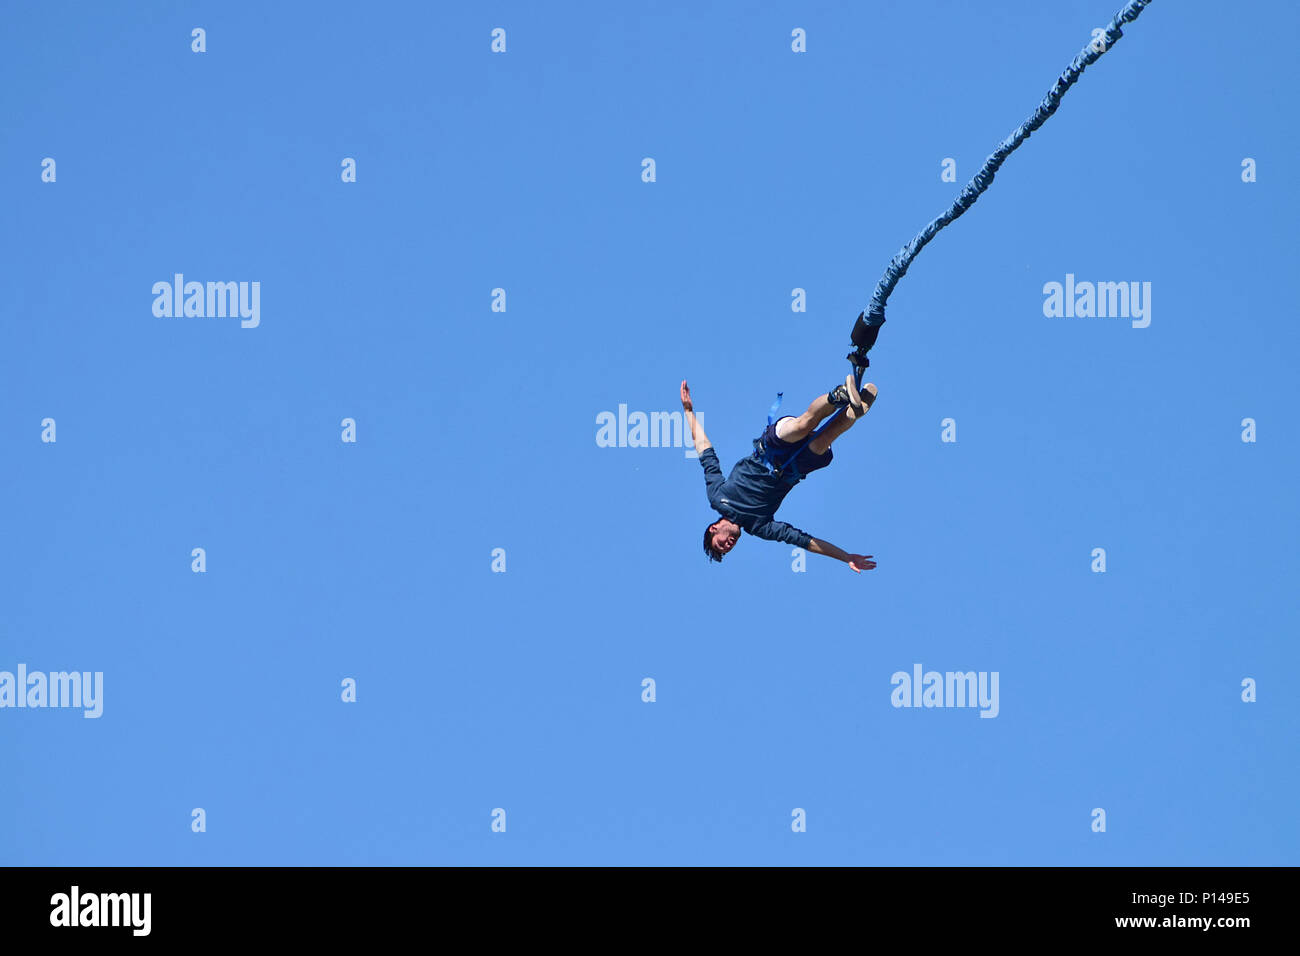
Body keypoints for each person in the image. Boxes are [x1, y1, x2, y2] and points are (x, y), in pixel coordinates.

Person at [682, 376, 879, 572]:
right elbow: (804, 541)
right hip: (796, 466)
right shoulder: (759, 526)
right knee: (824, 439)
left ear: (713, 529)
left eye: (720, 544)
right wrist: (845, 557)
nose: (728, 545)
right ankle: (853, 411)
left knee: (802, 426)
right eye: (728, 549)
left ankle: (839, 394)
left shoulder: (717, 497)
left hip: (771, 447)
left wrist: (689, 412)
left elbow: (706, 454)